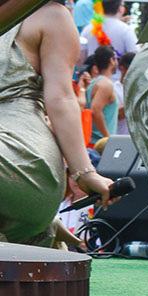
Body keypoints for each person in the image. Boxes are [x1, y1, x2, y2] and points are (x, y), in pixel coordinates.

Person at [0, 0, 113, 247]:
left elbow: (61, 97)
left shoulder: (49, 16)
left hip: (22, 148)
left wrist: (85, 172)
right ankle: (45, 229)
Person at [84, 42, 117, 143]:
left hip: (93, 142)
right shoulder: (106, 84)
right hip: (99, 144)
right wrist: (108, 138)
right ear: (112, 61)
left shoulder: (94, 83)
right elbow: (96, 110)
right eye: (117, 58)